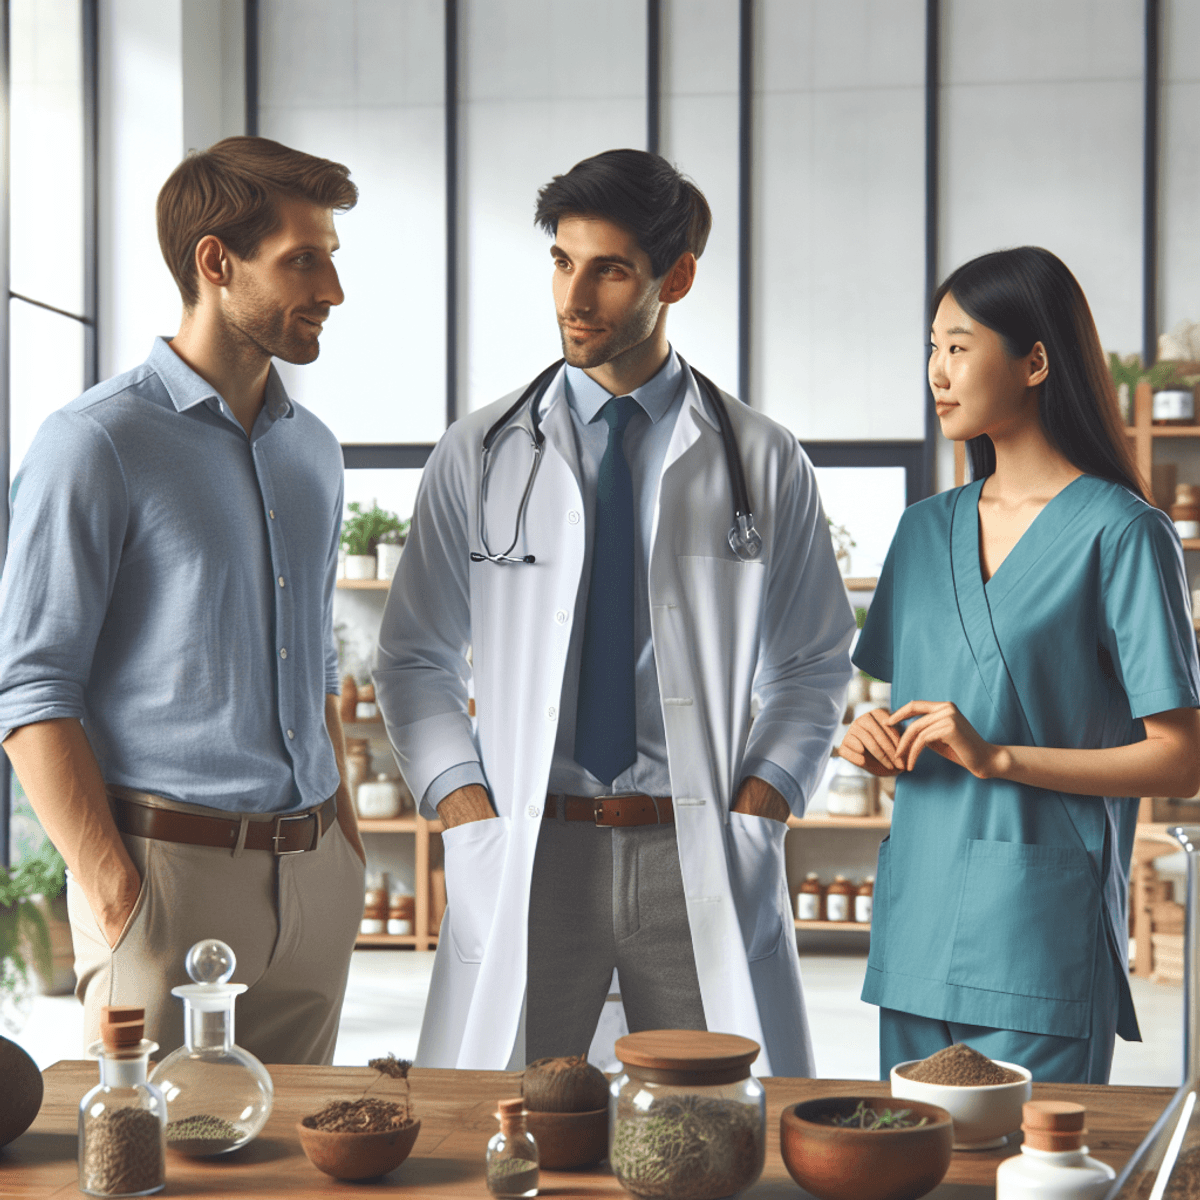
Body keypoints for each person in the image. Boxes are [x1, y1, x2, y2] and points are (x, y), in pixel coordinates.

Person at [374, 149, 855, 1074]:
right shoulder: (478, 452)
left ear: (676, 279)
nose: (574, 297)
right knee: (510, 1118)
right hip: (532, 848)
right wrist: (465, 807)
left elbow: (813, 663)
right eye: (562, 261)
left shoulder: (761, 458)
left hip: (692, 850)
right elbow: (414, 657)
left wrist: (762, 801)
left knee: (711, 1118)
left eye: (610, 270)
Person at [0, 136, 367, 1062]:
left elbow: (317, 661)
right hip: (166, 884)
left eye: (331, 258)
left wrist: (347, 848)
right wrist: (117, 892)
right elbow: (31, 690)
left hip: (316, 877)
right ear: (216, 262)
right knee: (148, 1144)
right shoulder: (95, 442)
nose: (332, 289)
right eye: (303, 260)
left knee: (297, 1144)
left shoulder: (315, 450)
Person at [843, 246, 1200, 1084]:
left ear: (1035, 361)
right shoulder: (922, 532)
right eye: (932, 348)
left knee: (1034, 1157)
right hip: (917, 924)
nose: (937, 372)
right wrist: (871, 738)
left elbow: (1182, 758)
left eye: (959, 347)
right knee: (910, 1151)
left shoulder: (1123, 532)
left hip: (1039, 936)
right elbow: (919, 715)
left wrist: (998, 757)